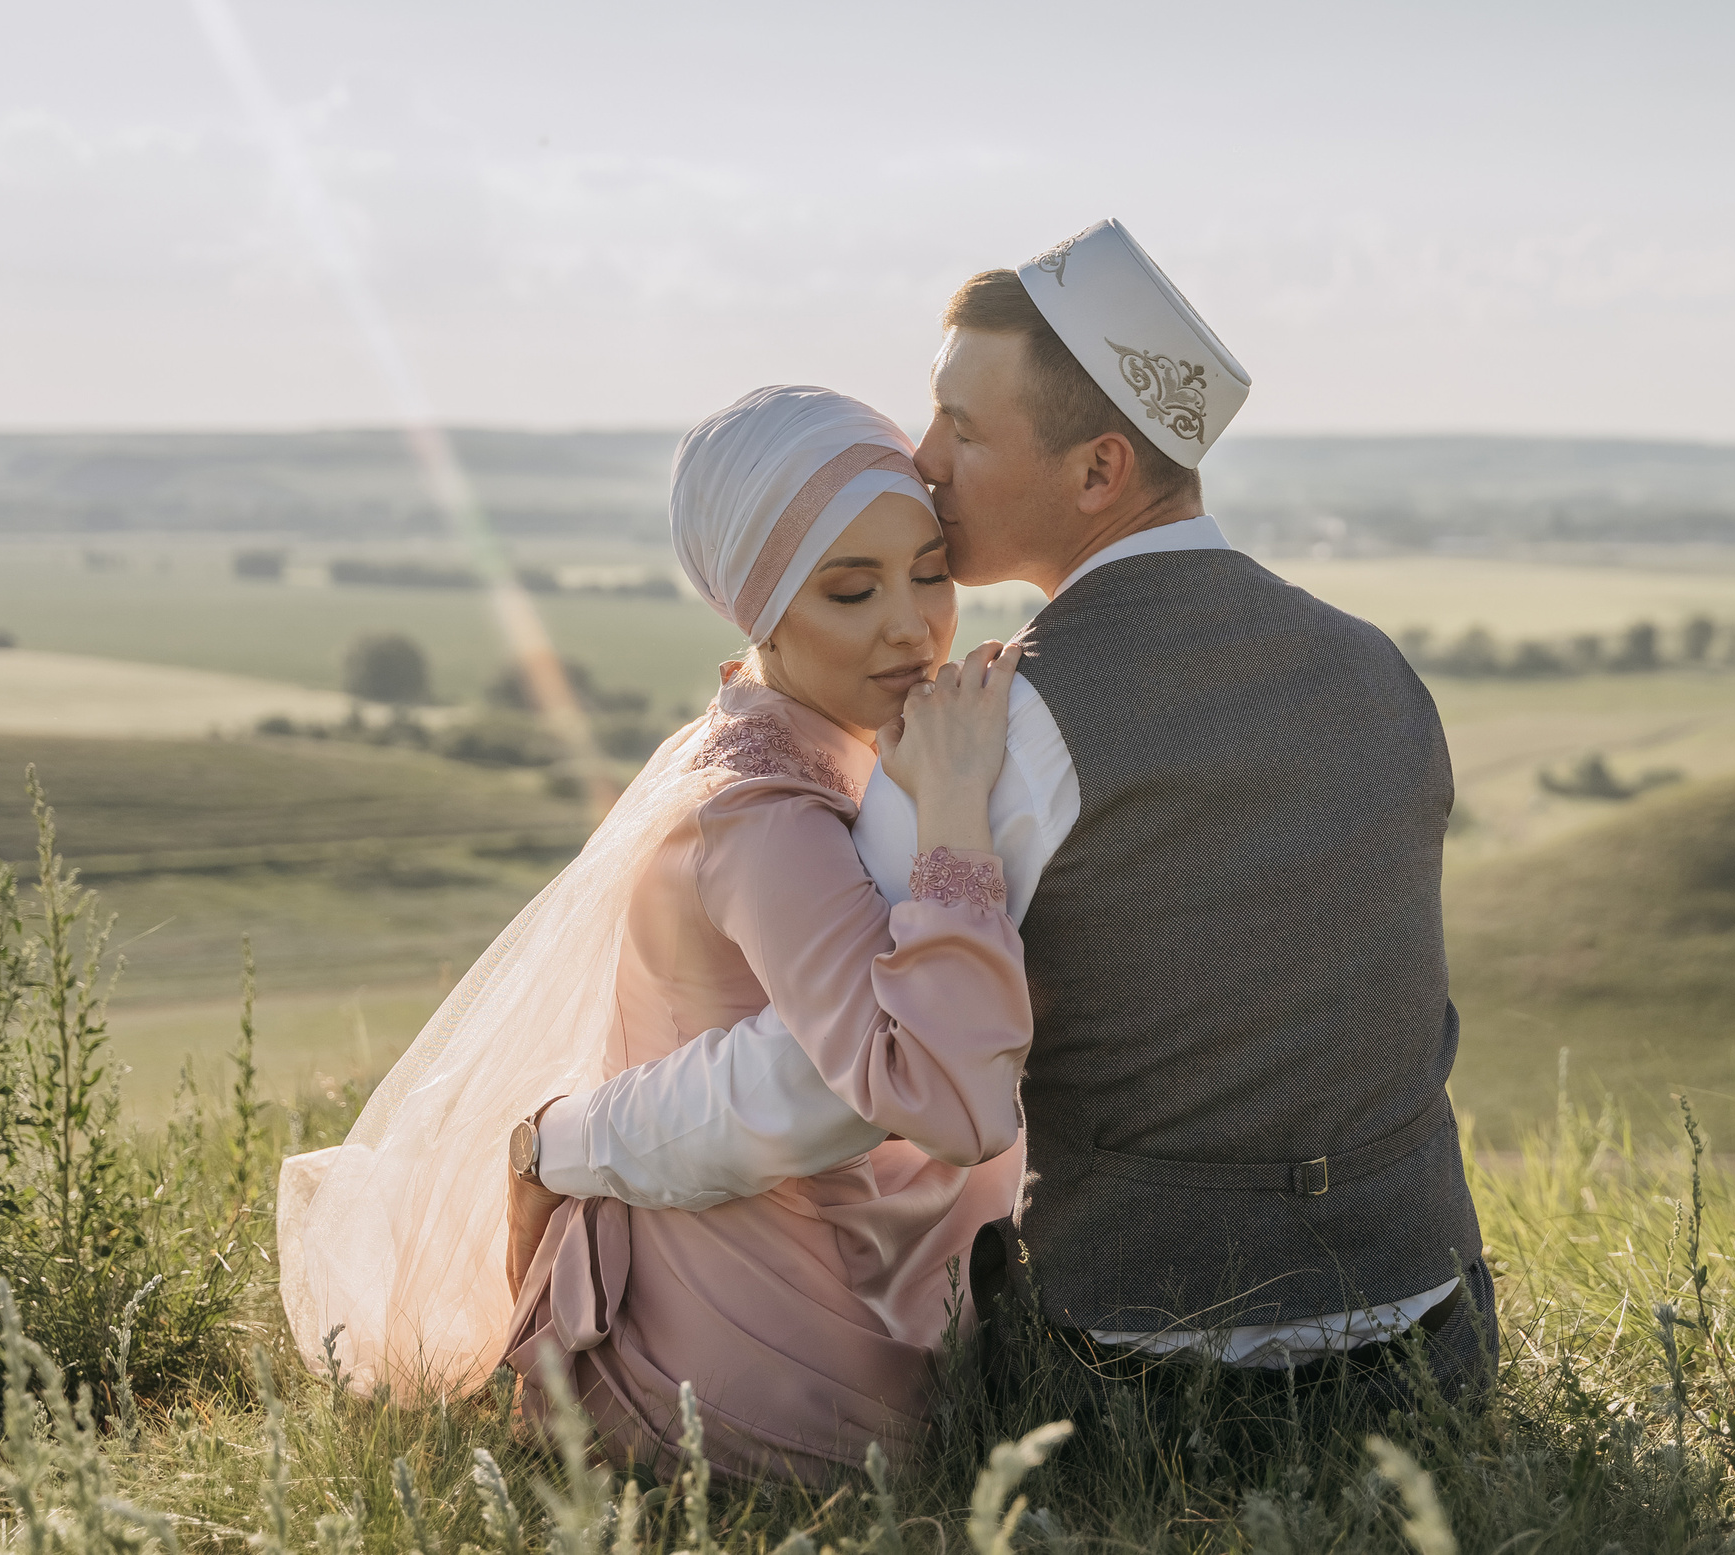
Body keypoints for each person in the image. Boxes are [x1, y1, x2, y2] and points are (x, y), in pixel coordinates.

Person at [529, 220, 1493, 1405]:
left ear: (1096, 473)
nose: (923, 460)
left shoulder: (1001, 727)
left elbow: (841, 1082)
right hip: (1438, 1329)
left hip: (1157, 1362)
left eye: (962, 429)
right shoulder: (1375, 667)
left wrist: (571, 1143)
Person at [278, 386, 1033, 1482]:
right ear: (758, 610)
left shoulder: (787, 735)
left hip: (836, 1280)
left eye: (929, 572)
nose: (912, 625)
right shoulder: (763, 817)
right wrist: (958, 818)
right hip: (779, 1369)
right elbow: (950, 1099)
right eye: (850, 589)